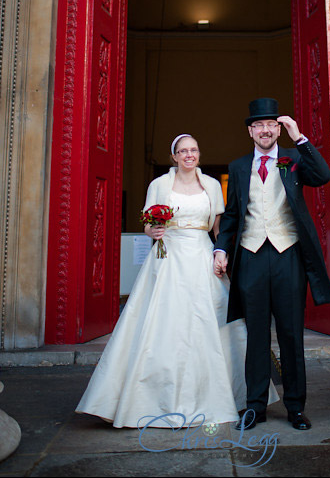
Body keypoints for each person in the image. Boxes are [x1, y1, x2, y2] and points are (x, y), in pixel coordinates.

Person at [76, 134, 276, 427]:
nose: (189, 155)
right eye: (183, 151)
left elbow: (220, 225)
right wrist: (152, 232)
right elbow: (147, 223)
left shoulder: (210, 184)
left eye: (193, 150)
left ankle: (231, 396)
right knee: (163, 321)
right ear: (174, 156)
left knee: (215, 320)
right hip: (167, 257)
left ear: (199, 153)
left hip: (201, 254)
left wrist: (222, 253)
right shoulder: (159, 185)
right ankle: (148, 399)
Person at [213, 97, 330, 431]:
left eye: (272, 125)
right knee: (255, 337)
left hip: (288, 255)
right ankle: (255, 407)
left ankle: (295, 408)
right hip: (251, 257)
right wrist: (221, 250)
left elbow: (322, 175)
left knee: (291, 335)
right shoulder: (238, 167)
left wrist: (299, 137)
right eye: (259, 125)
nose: (265, 130)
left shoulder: (293, 158)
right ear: (251, 131)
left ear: (278, 129)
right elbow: (234, 215)